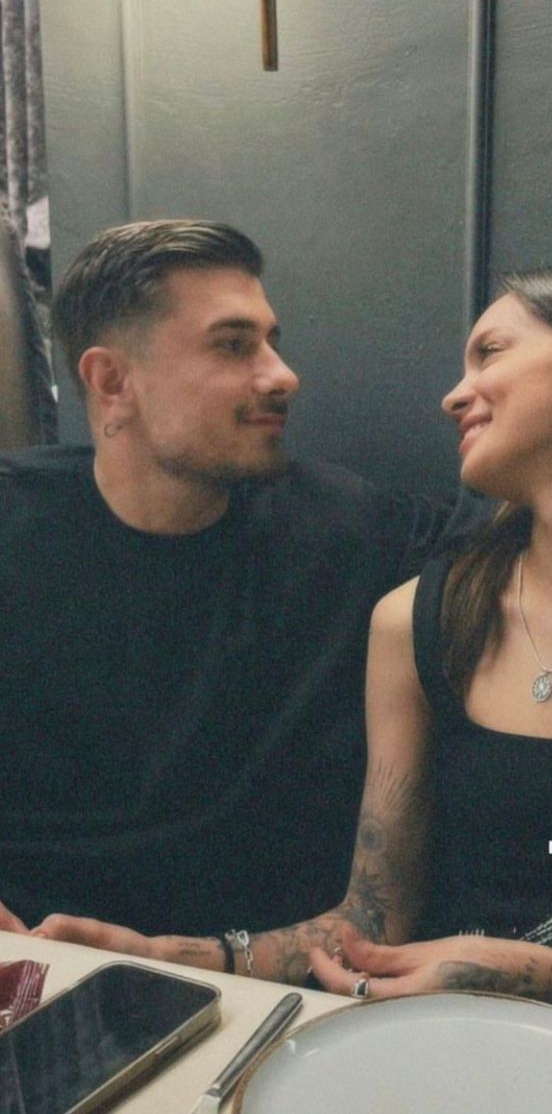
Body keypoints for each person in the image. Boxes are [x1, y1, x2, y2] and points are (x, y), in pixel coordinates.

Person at [25, 267, 552, 1075]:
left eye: (490, 351)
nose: (452, 395)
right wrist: (162, 952)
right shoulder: (419, 622)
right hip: (458, 1064)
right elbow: (371, 923)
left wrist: (542, 977)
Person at [0, 218, 479, 939]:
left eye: (271, 341)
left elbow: (550, 546)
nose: (282, 375)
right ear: (111, 380)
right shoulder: (15, 525)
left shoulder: (346, 528)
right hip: (39, 969)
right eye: (233, 345)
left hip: (263, 978)